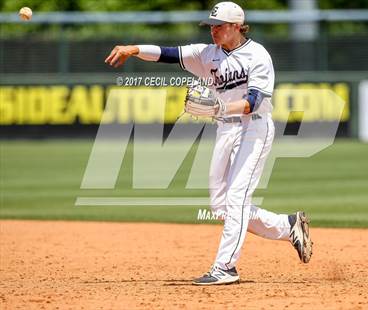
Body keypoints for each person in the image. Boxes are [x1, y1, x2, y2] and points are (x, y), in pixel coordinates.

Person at [105, 1, 312, 286]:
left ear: (237, 26)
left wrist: (219, 109)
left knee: (237, 199)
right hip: (225, 131)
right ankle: (287, 226)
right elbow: (168, 54)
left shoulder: (257, 55)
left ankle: (225, 267)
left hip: (254, 130)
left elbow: (253, 103)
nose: (213, 30)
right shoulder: (206, 54)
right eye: (211, 26)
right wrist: (134, 49)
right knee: (220, 206)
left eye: (219, 26)